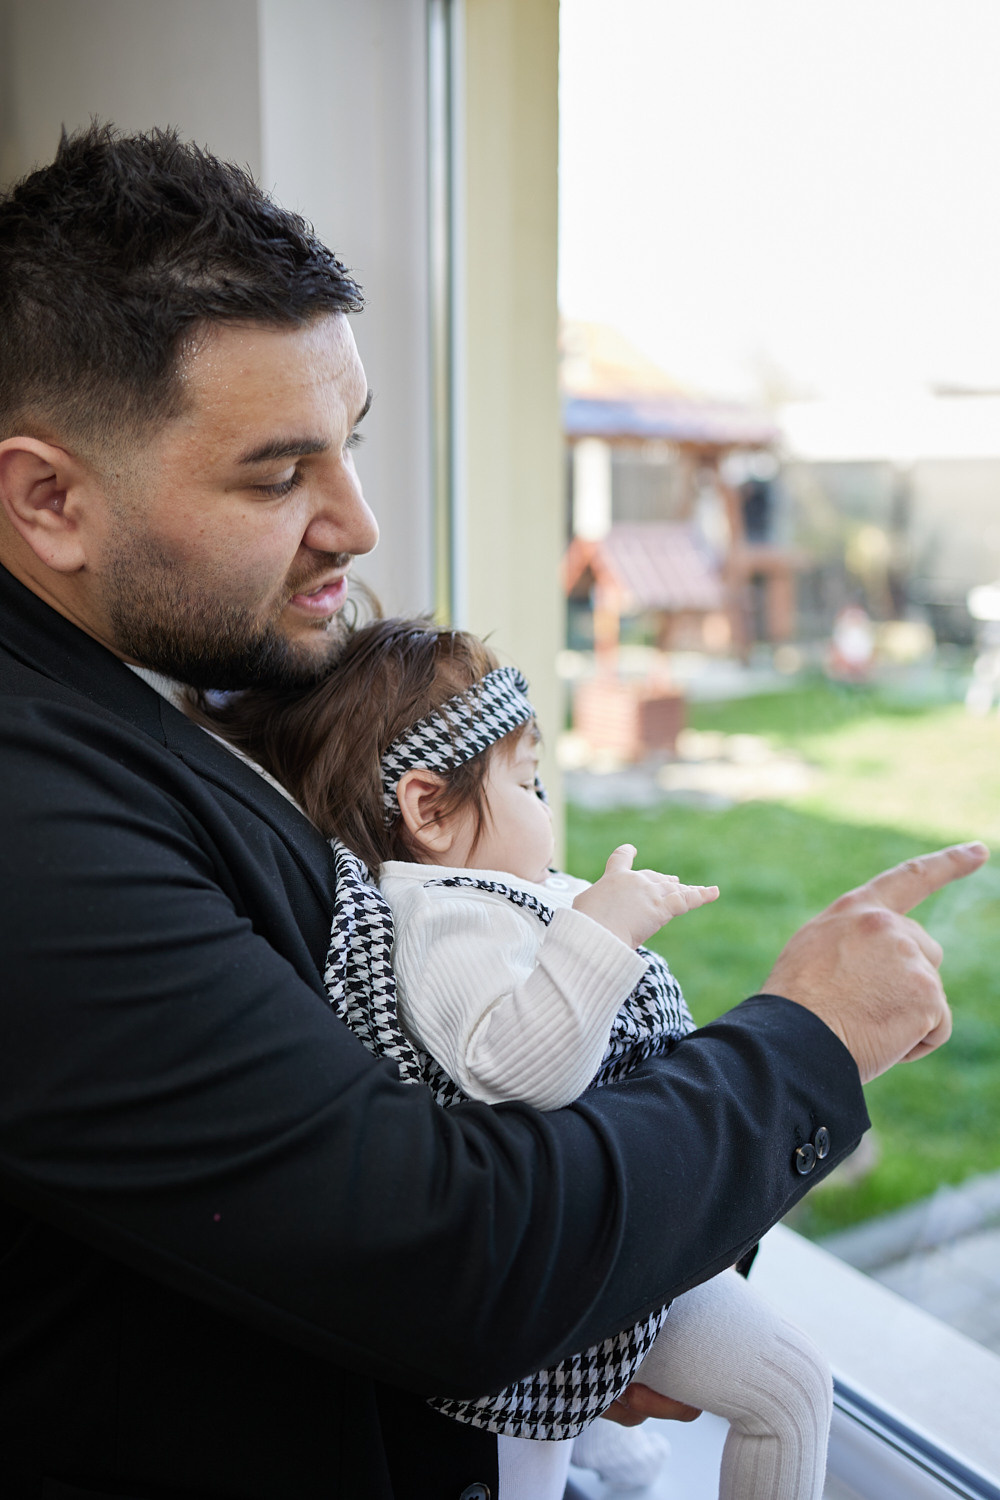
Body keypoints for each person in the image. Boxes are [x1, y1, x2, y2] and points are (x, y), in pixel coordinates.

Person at [0, 123, 987, 1500]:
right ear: (51, 500)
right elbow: (449, 1251)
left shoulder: (128, 688)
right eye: (279, 475)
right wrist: (804, 1051)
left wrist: (612, 1286)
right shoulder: (32, 829)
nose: (358, 522)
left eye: (348, 447)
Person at [197, 617, 835, 1500]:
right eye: (530, 783)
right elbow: (521, 1069)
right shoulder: (446, 917)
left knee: (581, 1455)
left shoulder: (484, 897)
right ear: (428, 811)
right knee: (791, 1391)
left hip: (607, 1219)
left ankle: (602, 1460)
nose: (547, 810)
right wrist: (602, 931)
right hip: (575, 1258)